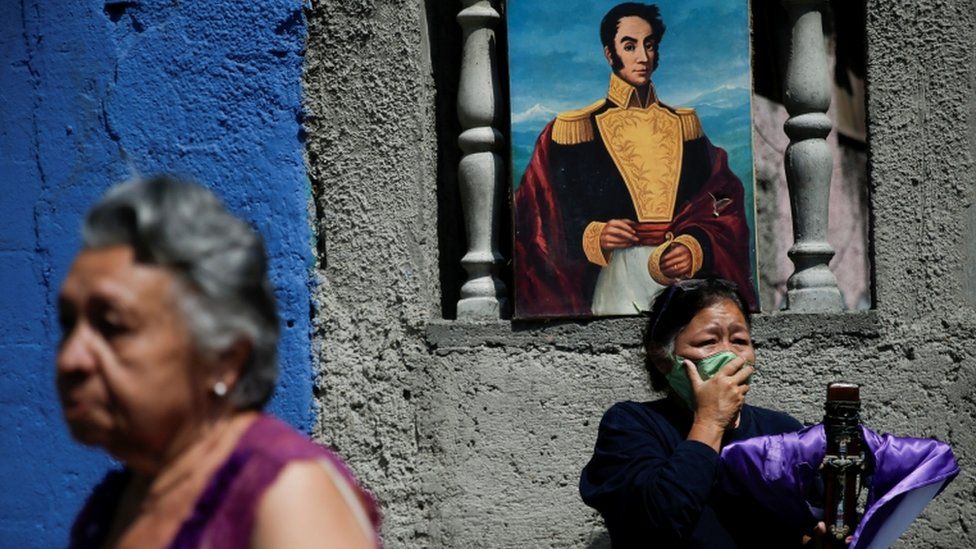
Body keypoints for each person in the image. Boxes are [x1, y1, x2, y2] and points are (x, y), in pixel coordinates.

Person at [58, 177, 381, 548]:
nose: (70, 360)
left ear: (224, 359)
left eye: (112, 327)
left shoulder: (286, 493)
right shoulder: (113, 506)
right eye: (68, 324)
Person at [514, 3, 756, 318]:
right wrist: (595, 236)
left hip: (682, 280)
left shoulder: (684, 126)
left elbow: (721, 197)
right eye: (630, 46)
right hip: (617, 278)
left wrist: (695, 247)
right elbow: (542, 215)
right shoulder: (576, 129)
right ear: (609, 53)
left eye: (649, 45)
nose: (642, 57)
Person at [579, 278, 812, 547]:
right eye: (708, 342)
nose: (729, 355)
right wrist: (711, 420)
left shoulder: (782, 431)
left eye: (739, 340)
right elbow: (655, 527)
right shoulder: (629, 427)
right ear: (662, 357)